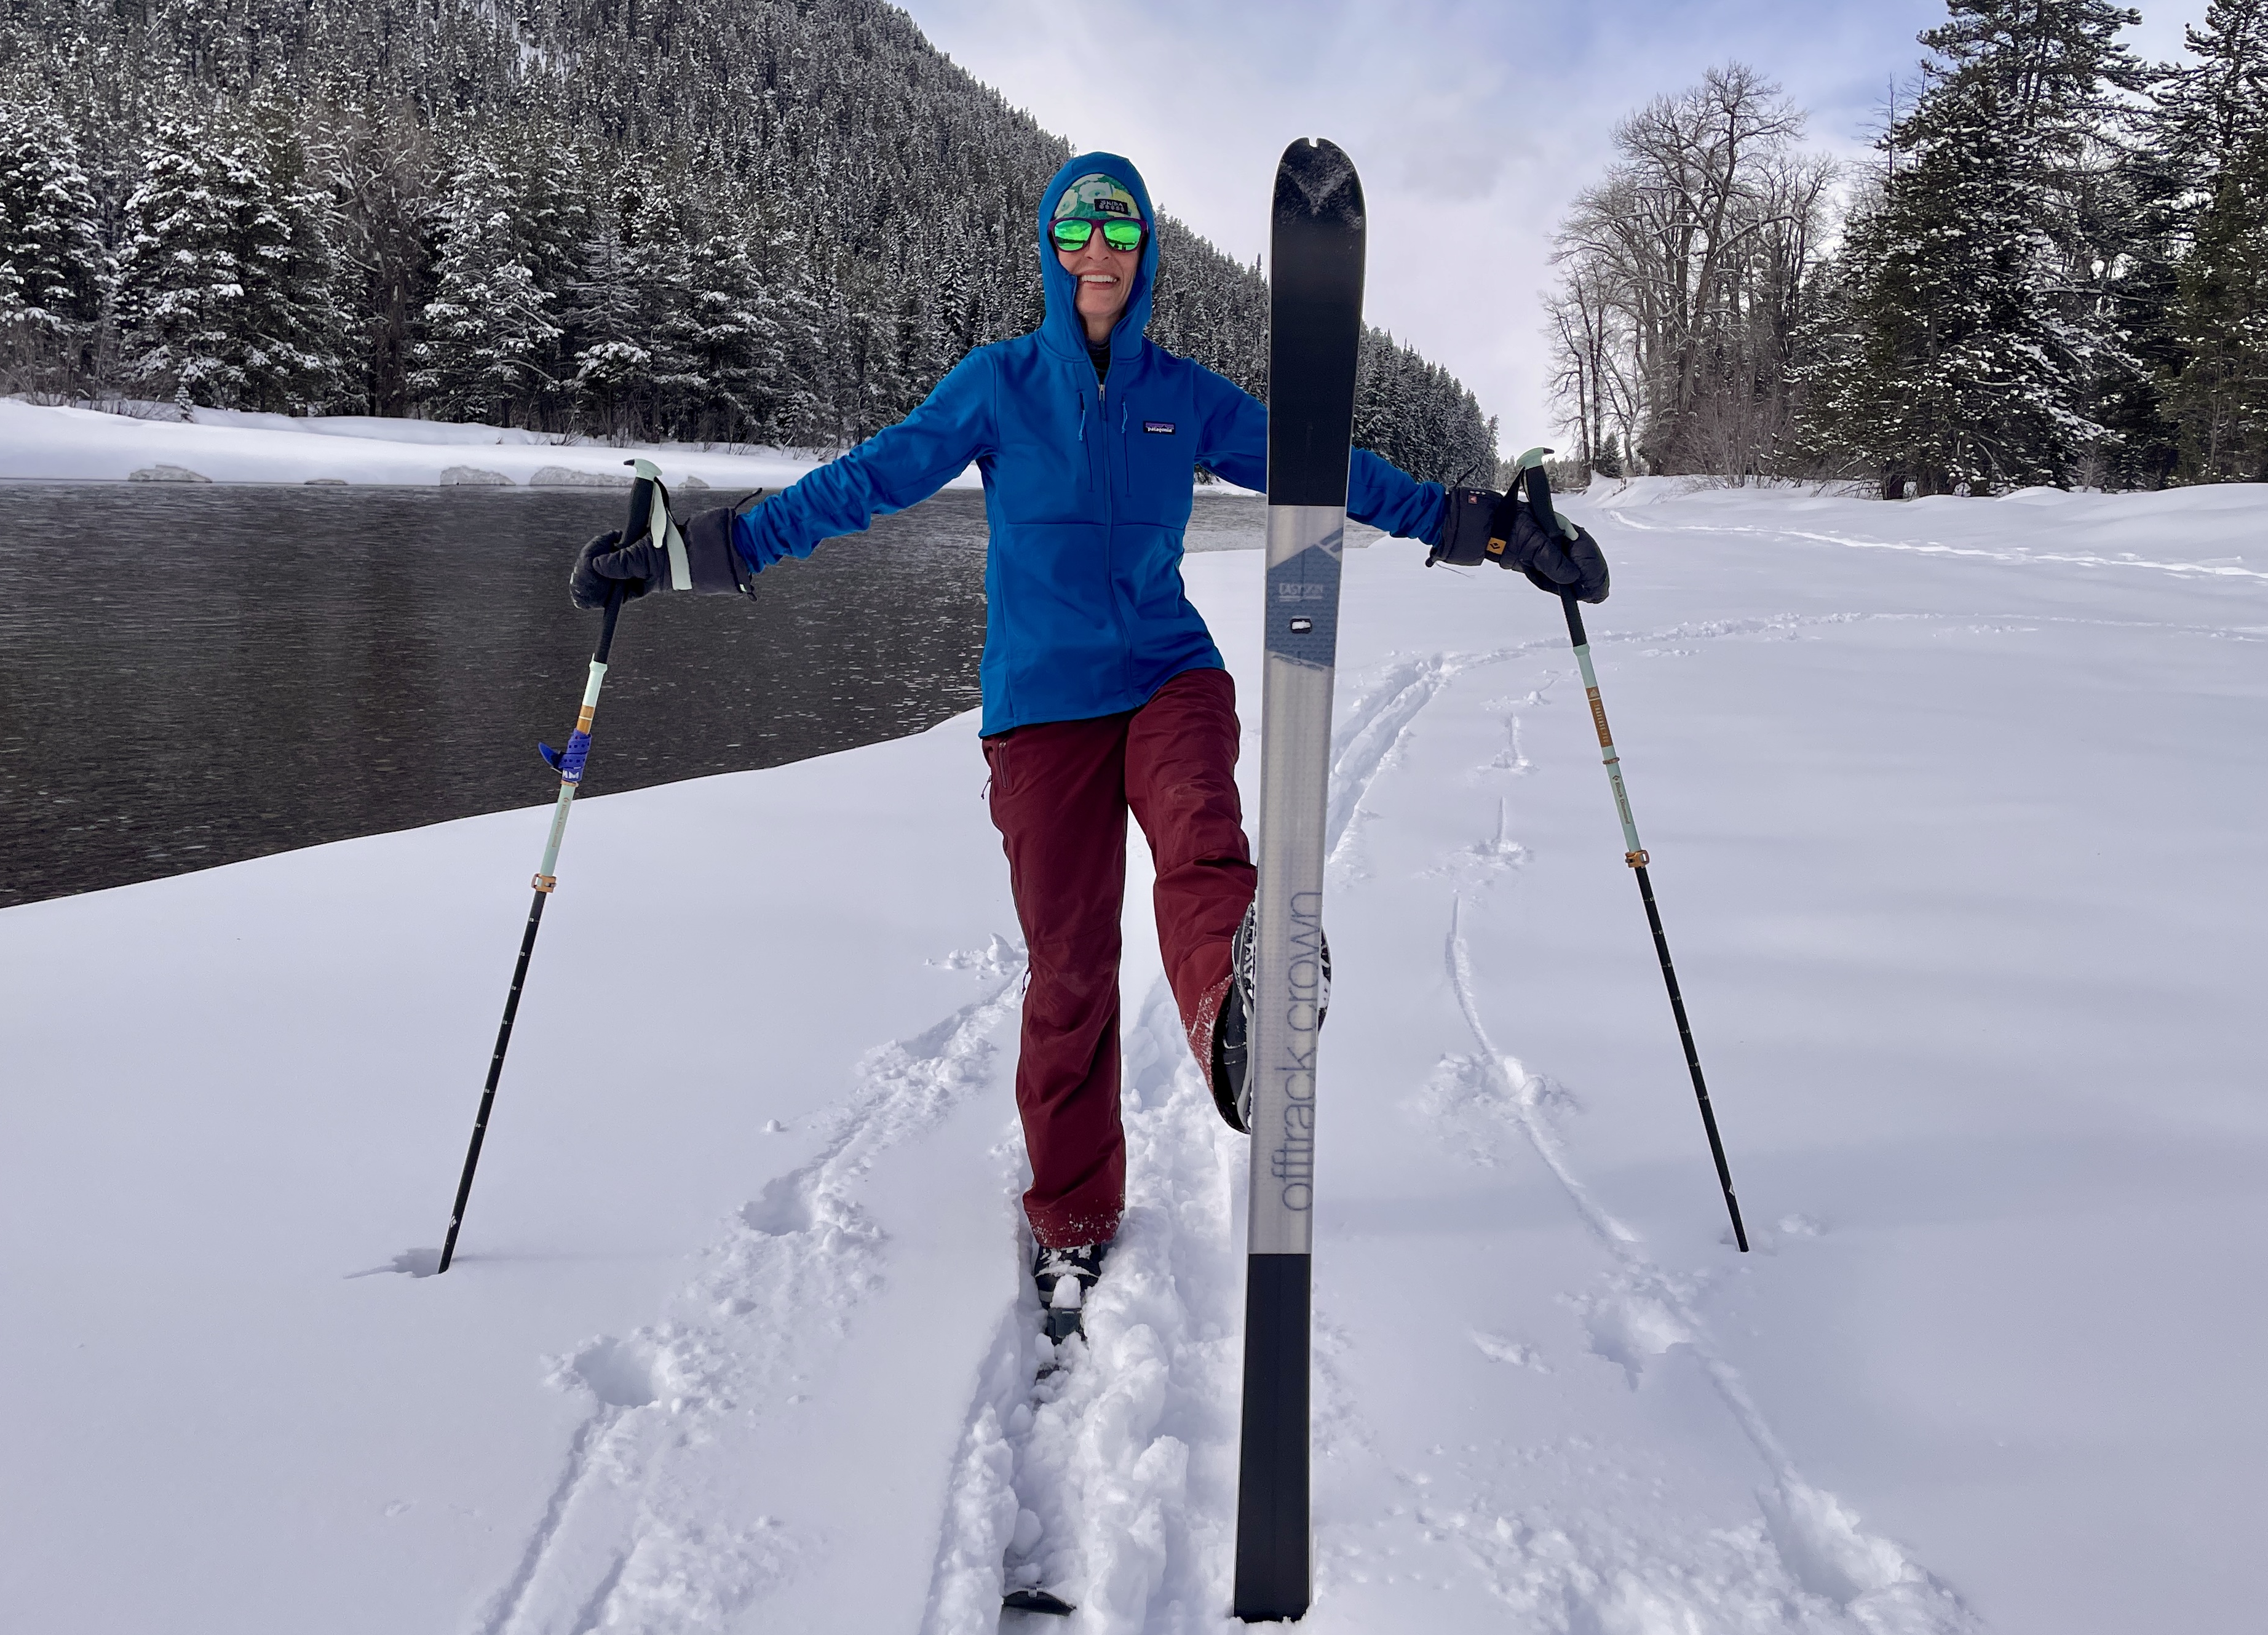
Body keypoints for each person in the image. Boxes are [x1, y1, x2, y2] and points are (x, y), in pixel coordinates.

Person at [571, 152, 1606, 1339]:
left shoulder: (1185, 396)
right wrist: (695, 552)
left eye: (1118, 226)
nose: (1097, 247)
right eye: (1076, 227)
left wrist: (1484, 530)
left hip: (1167, 674)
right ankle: (1070, 1214)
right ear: (1053, 250)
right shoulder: (997, 385)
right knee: (1068, 969)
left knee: (1201, 841)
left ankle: (1242, 1015)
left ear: (1145, 250)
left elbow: (1330, 475)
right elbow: (865, 483)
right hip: (1041, 707)